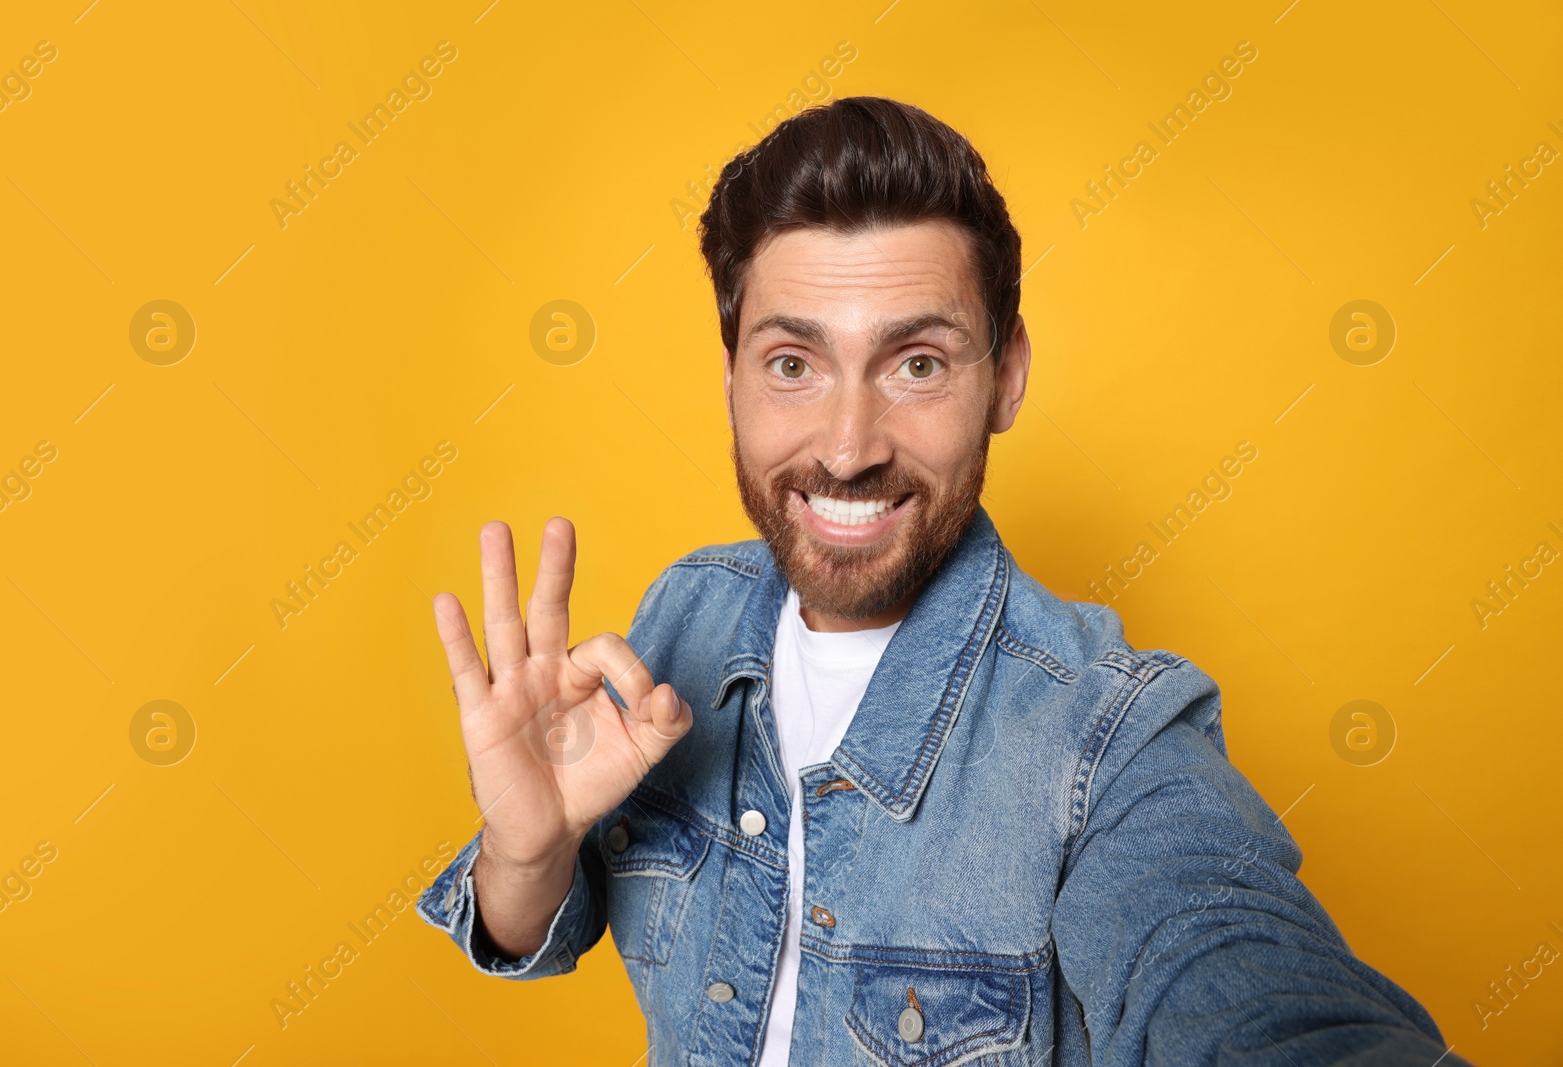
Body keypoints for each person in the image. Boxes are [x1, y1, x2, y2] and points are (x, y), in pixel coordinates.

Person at [417, 96, 1465, 1066]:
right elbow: (532, 929)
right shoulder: (684, 613)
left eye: (916, 362)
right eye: (793, 363)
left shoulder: (1109, 741)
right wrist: (525, 854)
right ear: (731, 372)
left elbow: (1247, 986)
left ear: (1005, 376)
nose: (845, 446)